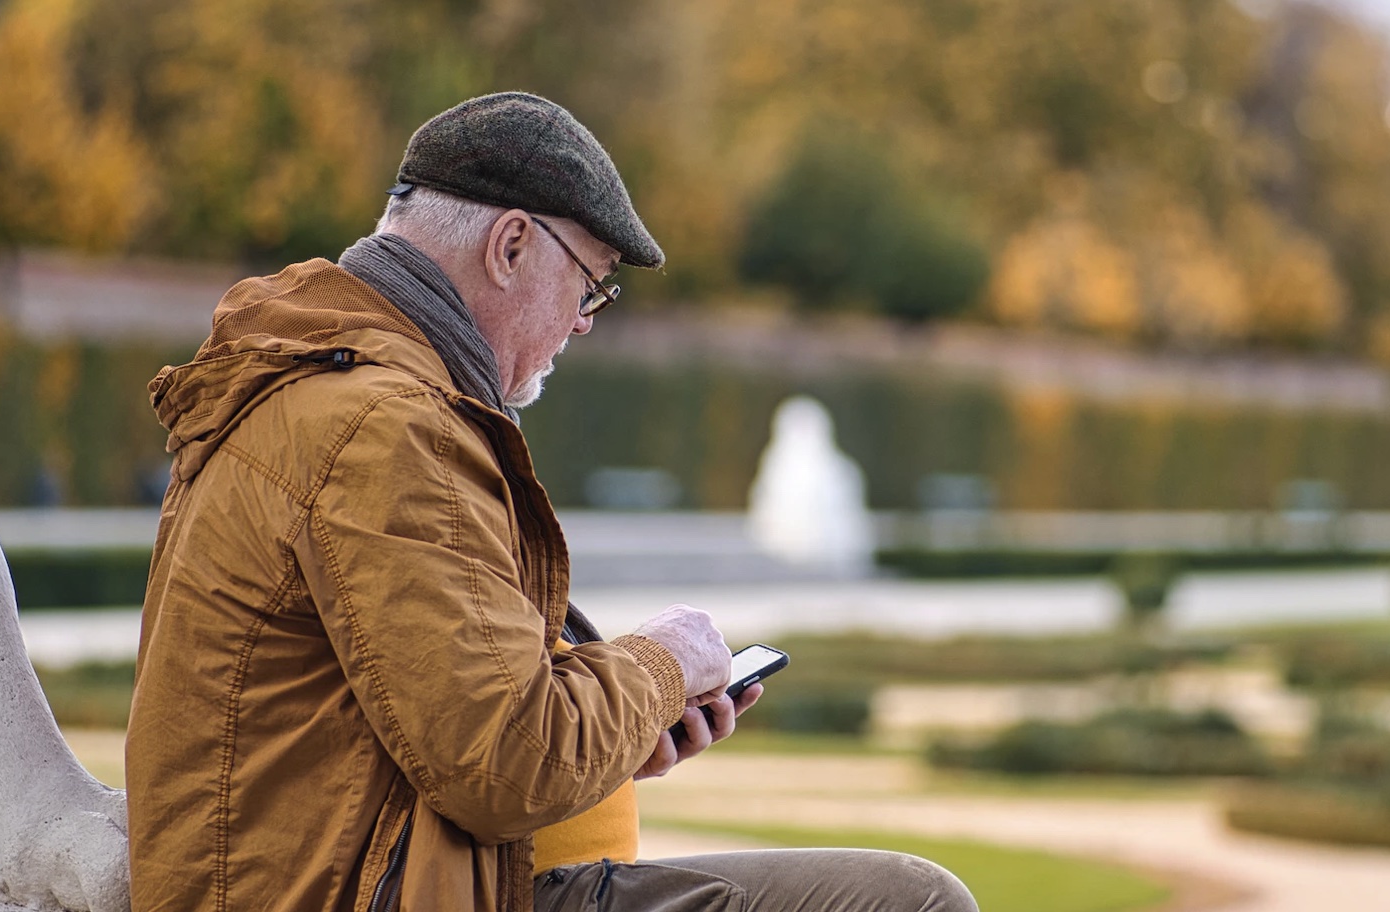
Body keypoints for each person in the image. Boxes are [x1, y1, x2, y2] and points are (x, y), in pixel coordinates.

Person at [128, 92, 978, 912]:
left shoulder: (317, 390)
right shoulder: (385, 427)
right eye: (592, 283)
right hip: (370, 895)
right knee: (910, 900)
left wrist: (616, 723)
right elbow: (507, 763)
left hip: (348, 881)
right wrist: (664, 663)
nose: (584, 323)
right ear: (509, 247)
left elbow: (420, 712)